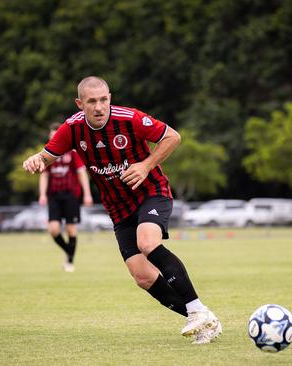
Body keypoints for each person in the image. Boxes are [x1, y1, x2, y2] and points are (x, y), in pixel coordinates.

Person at [23, 76, 221, 344]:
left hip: (151, 192)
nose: (99, 106)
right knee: (142, 276)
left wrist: (146, 165)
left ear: (110, 98)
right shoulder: (72, 129)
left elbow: (172, 137)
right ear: (80, 104)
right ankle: (203, 318)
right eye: (92, 101)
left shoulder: (130, 119)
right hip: (118, 208)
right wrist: (37, 159)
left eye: (103, 99)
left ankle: (196, 309)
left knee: (147, 242)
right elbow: (47, 156)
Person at [39, 122, 94, 272]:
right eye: (51, 138)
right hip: (54, 195)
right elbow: (44, 175)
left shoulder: (72, 151)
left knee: (71, 229)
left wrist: (87, 194)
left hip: (71, 195)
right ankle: (69, 251)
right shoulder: (46, 153)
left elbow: (81, 173)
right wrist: (42, 194)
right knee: (53, 229)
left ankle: (69, 261)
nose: (53, 141)